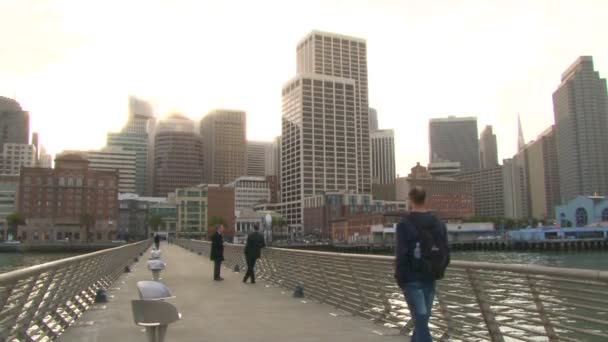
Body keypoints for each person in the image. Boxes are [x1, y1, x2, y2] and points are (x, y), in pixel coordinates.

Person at [395, 186, 450, 342]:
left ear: (410, 200)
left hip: (411, 278)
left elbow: (401, 254)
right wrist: (439, 269)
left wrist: (400, 277)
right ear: (426, 200)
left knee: (420, 320)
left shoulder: (404, 224)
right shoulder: (438, 223)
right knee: (422, 319)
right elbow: (446, 251)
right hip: (431, 275)